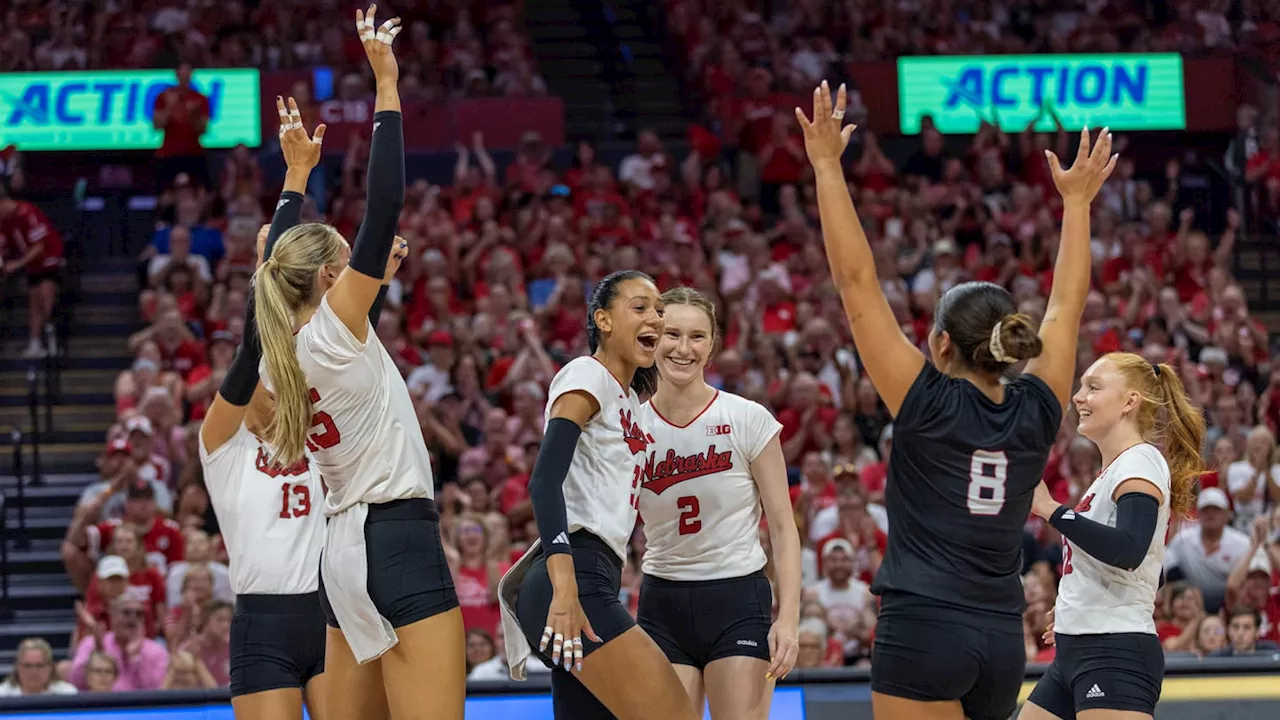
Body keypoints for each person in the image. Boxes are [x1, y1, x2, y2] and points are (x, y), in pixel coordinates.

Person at [796, 79, 1117, 720]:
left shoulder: (925, 401)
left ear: (941, 345)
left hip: (923, 624)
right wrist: (1076, 206)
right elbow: (1066, 304)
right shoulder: (1038, 406)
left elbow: (856, 283)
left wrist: (827, 165)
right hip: (1001, 635)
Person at [251, 8, 463, 720]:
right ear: (333, 278)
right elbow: (386, 205)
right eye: (346, 262)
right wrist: (387, 86)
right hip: (395, 535)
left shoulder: (274, 350)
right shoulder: (335, 330)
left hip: (339, 548)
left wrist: (295, 177)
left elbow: (276, 268)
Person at [497, 270, 699, 720]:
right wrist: (566, 592)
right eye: (641, 307)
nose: (656, 319)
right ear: (603, 321)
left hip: (597, 576)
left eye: (660, 312)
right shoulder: (586, 373)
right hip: (571, 578)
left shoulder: (631, 406)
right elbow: (544, 481)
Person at [636, 286, 801, 718]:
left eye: (697, 337)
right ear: (652, 338)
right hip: (661, 600)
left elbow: (783, 528)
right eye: (672, 334)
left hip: (737, 597)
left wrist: (788, 619)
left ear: (712, 347)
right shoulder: (628, 428)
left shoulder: (746, 418)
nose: (683, 349)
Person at [1021, 352, 1207, 720]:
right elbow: (1152, 570)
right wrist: (1083, 599)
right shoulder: (1116, 470)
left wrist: (1052, 510)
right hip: (1080, 649)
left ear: (1129, 402)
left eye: (1093, 387)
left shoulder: (1139, 461)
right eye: (1080, 387)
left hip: (1113, 651)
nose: (1078, 397)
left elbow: (1130, 549)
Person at [0, 184, 65, 358]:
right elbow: (5, 245)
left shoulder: (26, 212)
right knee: (34, 303)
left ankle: (53, 342)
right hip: (33, 266)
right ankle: (35, 344)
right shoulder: (4, 221)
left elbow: (39, 247)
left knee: (45, 298)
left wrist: (18, 264)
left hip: (49, 259)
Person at [152, 62, 211, 190]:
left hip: (193, 152)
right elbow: (157, 126)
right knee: (164, 191)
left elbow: (203, 130)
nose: (185, 78)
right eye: (182, 74)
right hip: (169, 153)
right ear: (177, 75)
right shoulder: (164, 97)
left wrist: (194, 115)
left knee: (204, 190)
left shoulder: (200, 99)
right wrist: (170, 107)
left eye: (187, 74)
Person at [0, 638, 77, 696]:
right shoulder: (3, 694)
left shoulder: (67, 693)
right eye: (28, 666)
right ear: (18, 667)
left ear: (50, 667)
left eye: (40, 665)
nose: (34, 671)